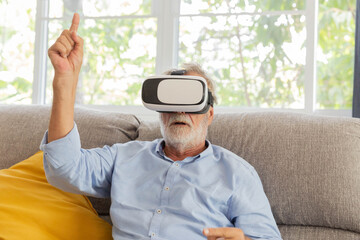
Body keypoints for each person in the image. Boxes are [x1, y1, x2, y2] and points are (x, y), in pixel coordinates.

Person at [40, 13, 282, 240]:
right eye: (171, 101)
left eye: (190, 101)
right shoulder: (123, 158)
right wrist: (64, 80)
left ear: (209, 114)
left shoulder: (237, 174)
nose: (179, 110)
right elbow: (64, 167)